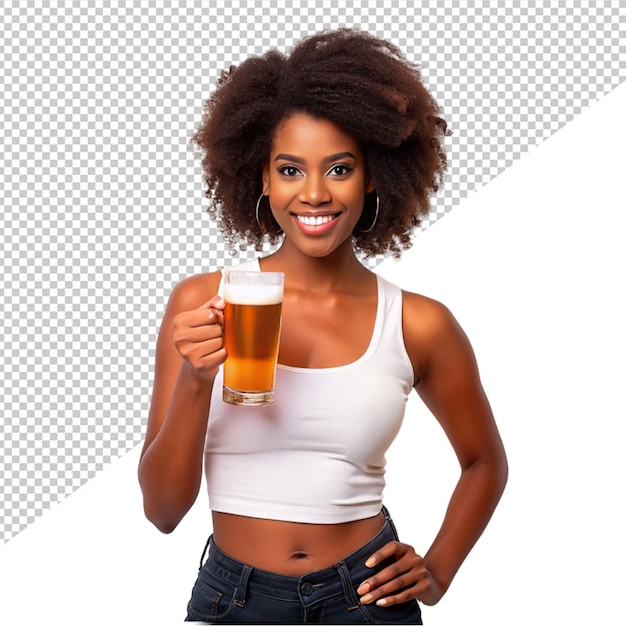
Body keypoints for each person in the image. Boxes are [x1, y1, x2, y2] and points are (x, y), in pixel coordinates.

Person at [138, 29, 508, 624]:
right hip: (234, 599)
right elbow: (161, 511)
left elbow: (484, 462)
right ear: (261, 178)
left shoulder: (419, 323)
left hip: (367, 597)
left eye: (339, 168)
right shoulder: (205, 300)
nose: (314, 193)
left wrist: (437, 571)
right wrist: (194, 379)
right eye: (290, 169)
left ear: (372, 177)